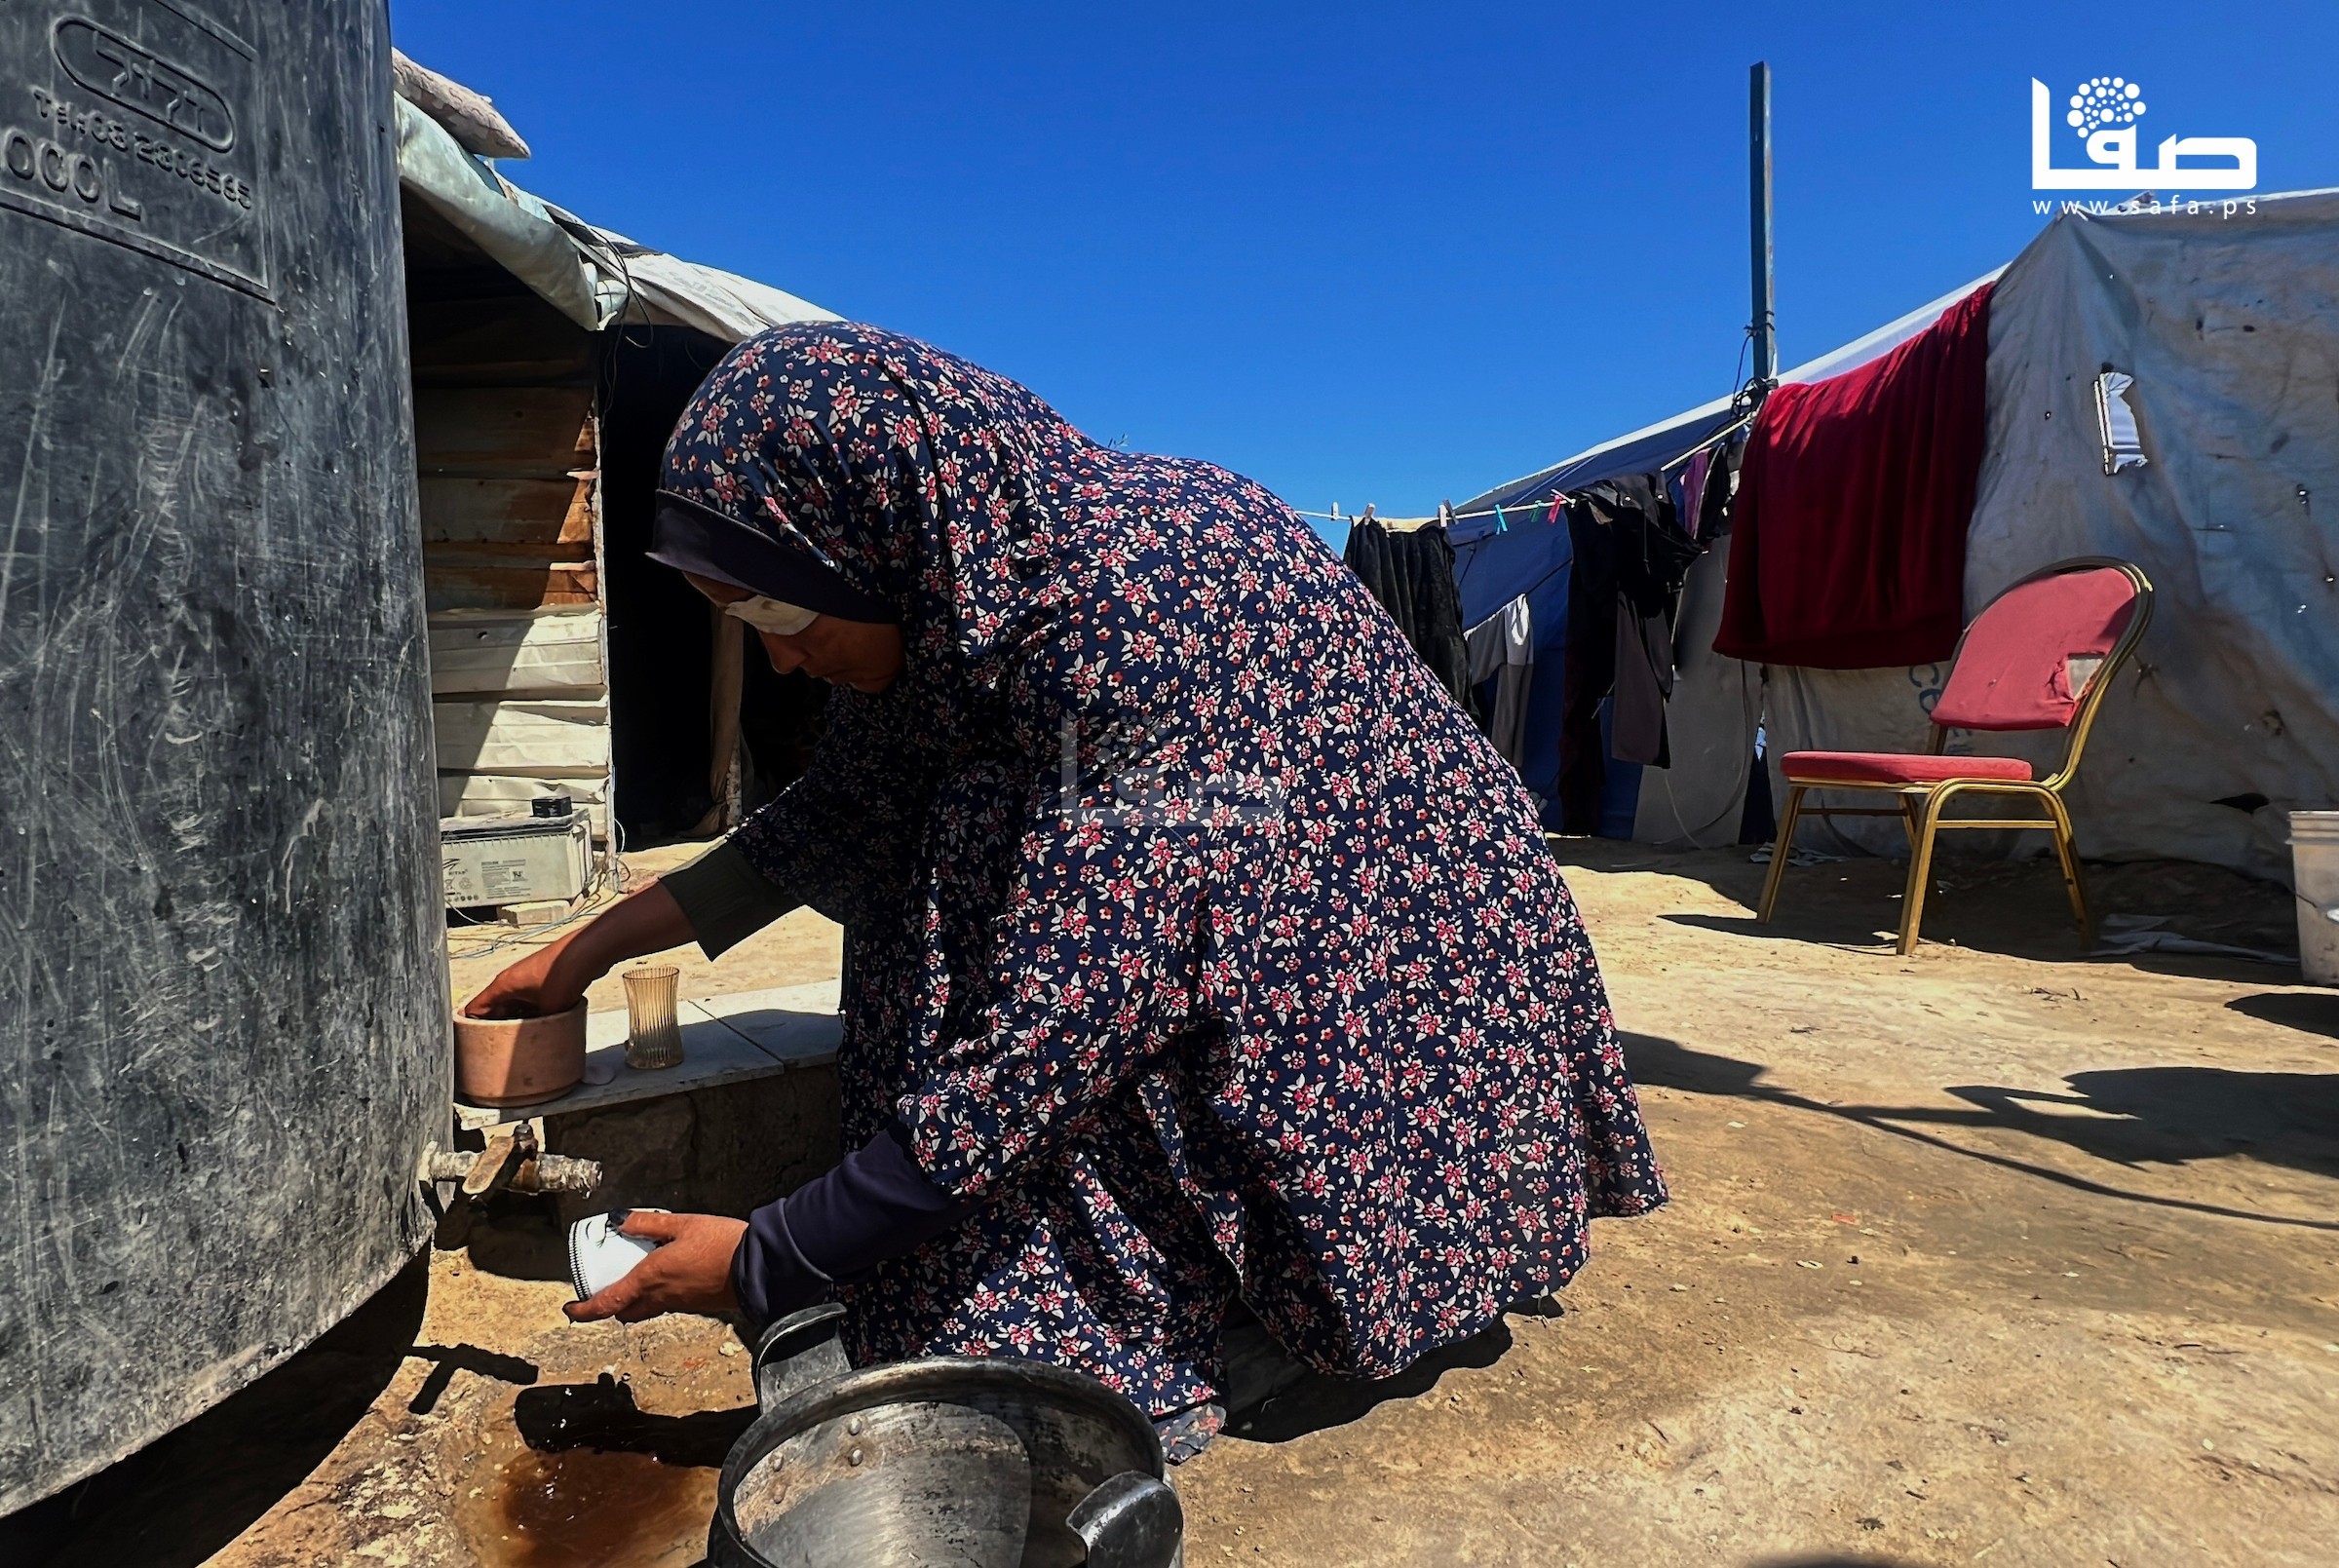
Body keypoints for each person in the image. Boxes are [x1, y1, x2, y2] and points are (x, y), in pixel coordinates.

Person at [465, 323, 1666, 1460]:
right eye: (741, 618)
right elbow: (838, 814)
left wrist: (768, 1259)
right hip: (1224, 852)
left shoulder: (1125, 626)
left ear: (878, 529)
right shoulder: (955, 587)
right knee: (950, 845)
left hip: (1385, 903)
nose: (778, 656)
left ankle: (1258, 1300)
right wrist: (582, 952)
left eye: (781, 610)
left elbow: (1053, 1030)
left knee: (1139, 1003)